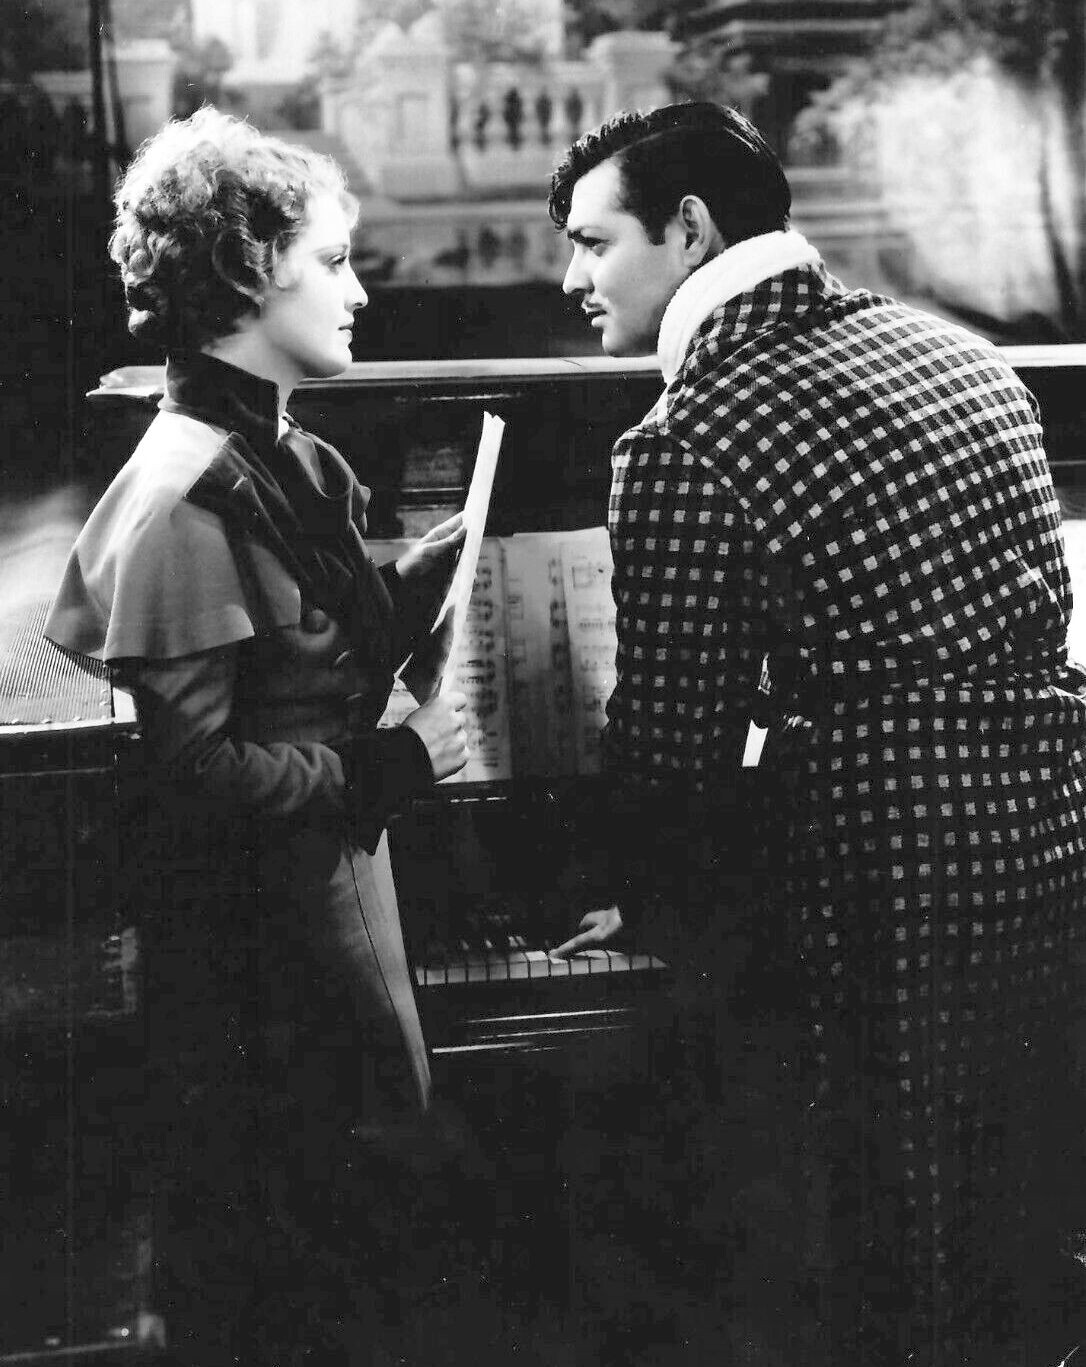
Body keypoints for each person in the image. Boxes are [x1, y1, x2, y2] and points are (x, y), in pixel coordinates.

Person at [548, 101, 1086, 1366]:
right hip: (1056, 831)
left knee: (892, 1236)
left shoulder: (688, 433)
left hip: (888, 867)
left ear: (688, 230)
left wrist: (633, 889)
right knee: (1023, 1215)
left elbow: (671, 746)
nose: (574, 278)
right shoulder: (962, 355)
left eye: (593, 241)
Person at [44, 108, 471, 1366]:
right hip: (264, 935)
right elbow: (190, 772)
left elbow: (299, 647)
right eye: (332, 261)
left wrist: (410, 585)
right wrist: (386, 764)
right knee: (305, 1228)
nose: (359, 292)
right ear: (243, 274)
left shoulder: (280, 453)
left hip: (330, 880)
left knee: (362, 1194)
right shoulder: (186, 490)